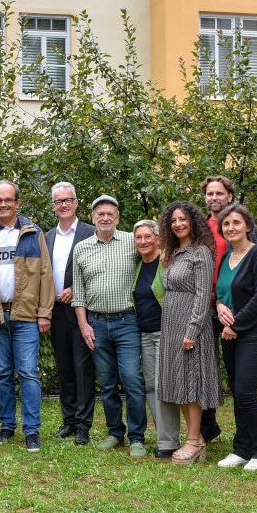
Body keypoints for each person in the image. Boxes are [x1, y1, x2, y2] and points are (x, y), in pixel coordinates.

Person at [0, 180, 54, 453]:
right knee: (2, 373)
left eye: (8, 200)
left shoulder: (32, 233)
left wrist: (45, 312)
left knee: (28, 373)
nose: (3, 204)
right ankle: (6, 426)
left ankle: (32, 430)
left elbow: (45, 274)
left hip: (26, 315)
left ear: (17, 203)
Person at [72, 195, 148, 459]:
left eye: (110, 214)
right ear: (93, 217)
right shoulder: (81, 248)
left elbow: (153, 263)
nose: (105, 218)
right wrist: (84, 325)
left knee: (132, 380)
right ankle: (115, 433)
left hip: (127, 321)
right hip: (96, 323)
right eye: (100, 214)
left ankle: (137, 437)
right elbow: (78, 293)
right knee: (107, 383)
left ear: (117, 217)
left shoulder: (132, 242)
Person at [156, 201, 223, 465]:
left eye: (183, 219)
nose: (178, 224)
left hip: (191, 326)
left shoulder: (201, 252)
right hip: (172, 325)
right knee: (179, 382)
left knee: (192, 383)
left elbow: (203, 294)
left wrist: (192, 330)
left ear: (193, 221)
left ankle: (194, 439)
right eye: (173, 220)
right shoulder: (174, 252)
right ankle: (194, 438)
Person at [213, 205, 257, 472]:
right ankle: (242, 448)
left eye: (236, 223)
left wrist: (236, 324)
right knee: (237, 393)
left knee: (245, 392)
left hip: (254, 331)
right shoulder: (226, 257)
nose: (231, 228)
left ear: (248, 226)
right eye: (226, 224)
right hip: (229, 333)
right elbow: (221, 294)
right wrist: (218, 307)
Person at [200, 175, 257, 443]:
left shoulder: (240, 225)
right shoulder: (200, 225)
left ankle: (244, 433)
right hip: (205, 303)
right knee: (203, 364)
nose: (214, 198)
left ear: (230, 196)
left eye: (219, 194)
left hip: (233, 309)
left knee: (237, 375)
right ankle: (207, 424)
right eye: (210, 194)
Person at [45, 182, 96, 446]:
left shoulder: (91, 233)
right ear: (53, 206)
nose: (63, 205)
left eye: (68, 200)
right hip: (55, 311)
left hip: (82, 311)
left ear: (77, 203)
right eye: (58, 201)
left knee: (82, 367)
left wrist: (75, 289)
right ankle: (69, 420)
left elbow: (99, 267)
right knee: (64, 367)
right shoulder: (47, 237)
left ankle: (84, 425)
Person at [131, 219, 180, 458]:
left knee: (163, 387)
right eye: (138, 237)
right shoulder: (138, 265)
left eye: (148, 236)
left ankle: (169, 442)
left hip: (165, 332)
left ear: (159, 238)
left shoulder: (167, 263)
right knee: (150, 386)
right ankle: (163, 436)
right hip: (144, 333)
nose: (143, 241)